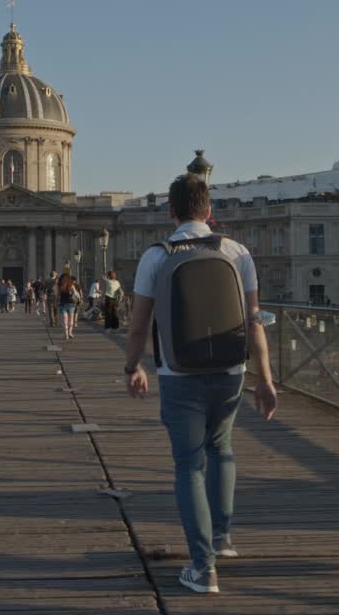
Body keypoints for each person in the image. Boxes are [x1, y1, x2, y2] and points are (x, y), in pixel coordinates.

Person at [124, 174, 277, 595]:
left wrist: (132, 367)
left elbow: (138, 326)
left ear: (170, 211)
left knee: (189, 465)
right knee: (222, 449)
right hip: (231, 371)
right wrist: (265, 378)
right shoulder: (238, 252)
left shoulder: (156, 257)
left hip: (178, 372)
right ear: (210, 211)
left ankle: (202, 566)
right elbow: (255, 321)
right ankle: (222, 540)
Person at [56, 271, 82, 340]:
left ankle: (66, 335)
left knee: (65, 320)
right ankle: (70, 332)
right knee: (71, 319)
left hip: (63, 304)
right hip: (71, 304)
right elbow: (76, 294)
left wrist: (57, 302)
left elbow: (58, 296)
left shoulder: (60, 286)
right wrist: (79, 300)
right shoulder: (71, 285)